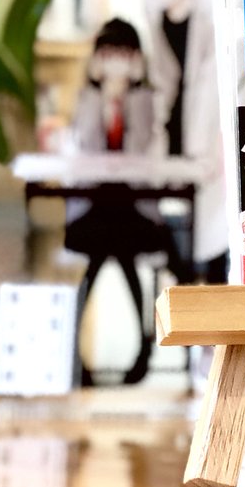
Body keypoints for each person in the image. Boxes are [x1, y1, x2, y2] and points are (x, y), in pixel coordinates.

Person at [65, 19, 189, 384]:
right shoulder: (86, 97)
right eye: (108, 53)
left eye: (124, 53)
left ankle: (108, 353)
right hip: (93, 206)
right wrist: (104, 99)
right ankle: (134, 351)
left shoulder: (145, 98)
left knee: (114, 253)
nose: (116, 61)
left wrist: (125, 98)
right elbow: (87, 143)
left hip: (134, 205)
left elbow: (138, 147)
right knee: (112, 254)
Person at [144, 0, 227, 282]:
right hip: (173, 129)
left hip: (209, 131)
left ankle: (211, 292)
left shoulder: (212, 15)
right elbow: (161, 79)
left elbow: (212, 89)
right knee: (174, 222)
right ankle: (183, 287)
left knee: (214, 226)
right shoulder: (156, 15)